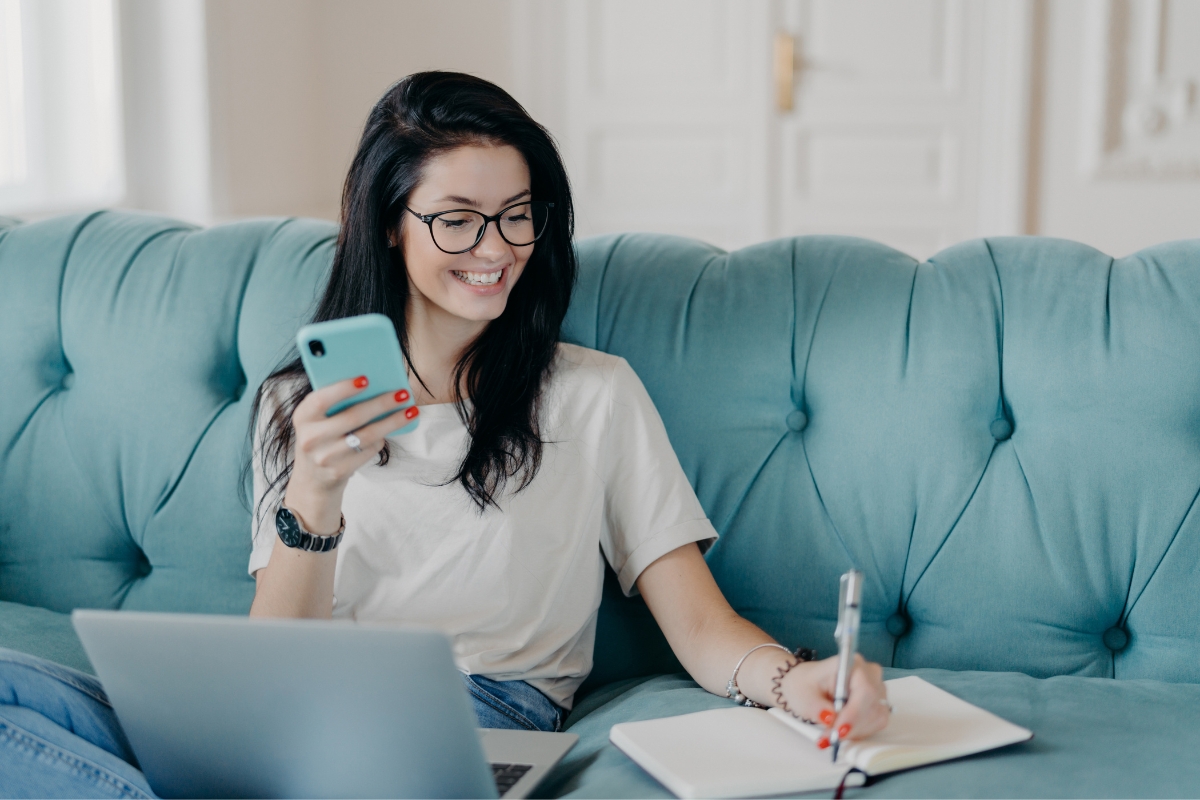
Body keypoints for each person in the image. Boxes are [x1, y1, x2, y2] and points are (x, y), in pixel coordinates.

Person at [0, 72, 888, 797]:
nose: (496, 248)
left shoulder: (592, 396)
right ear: (391, 224)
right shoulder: (302, 405)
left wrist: (789, 684)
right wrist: (314, 495)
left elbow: (698, 624)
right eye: (457, 218)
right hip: (299, 702)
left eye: (518, 214)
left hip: (478, 709)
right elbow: (276, 655)